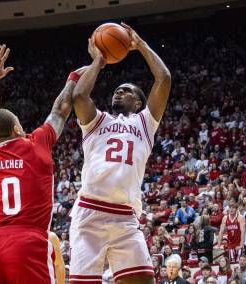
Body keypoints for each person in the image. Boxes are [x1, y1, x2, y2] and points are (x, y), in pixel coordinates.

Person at [0, 44, 84, 284]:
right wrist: (73, 79)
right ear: (16, 129)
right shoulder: (35, 145)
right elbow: (61, 111)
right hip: (26, 244)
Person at [69, 22, 171, 284]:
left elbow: (164, 79)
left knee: (144, 281)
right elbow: (79, 96)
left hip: (125, 215)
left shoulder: (145, 123)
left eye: (126, 91)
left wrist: (142, 46)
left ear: (138, 103)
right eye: (116, 90)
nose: (119, 92)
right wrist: (99, 62)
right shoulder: (97, 120)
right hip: (90, 211)